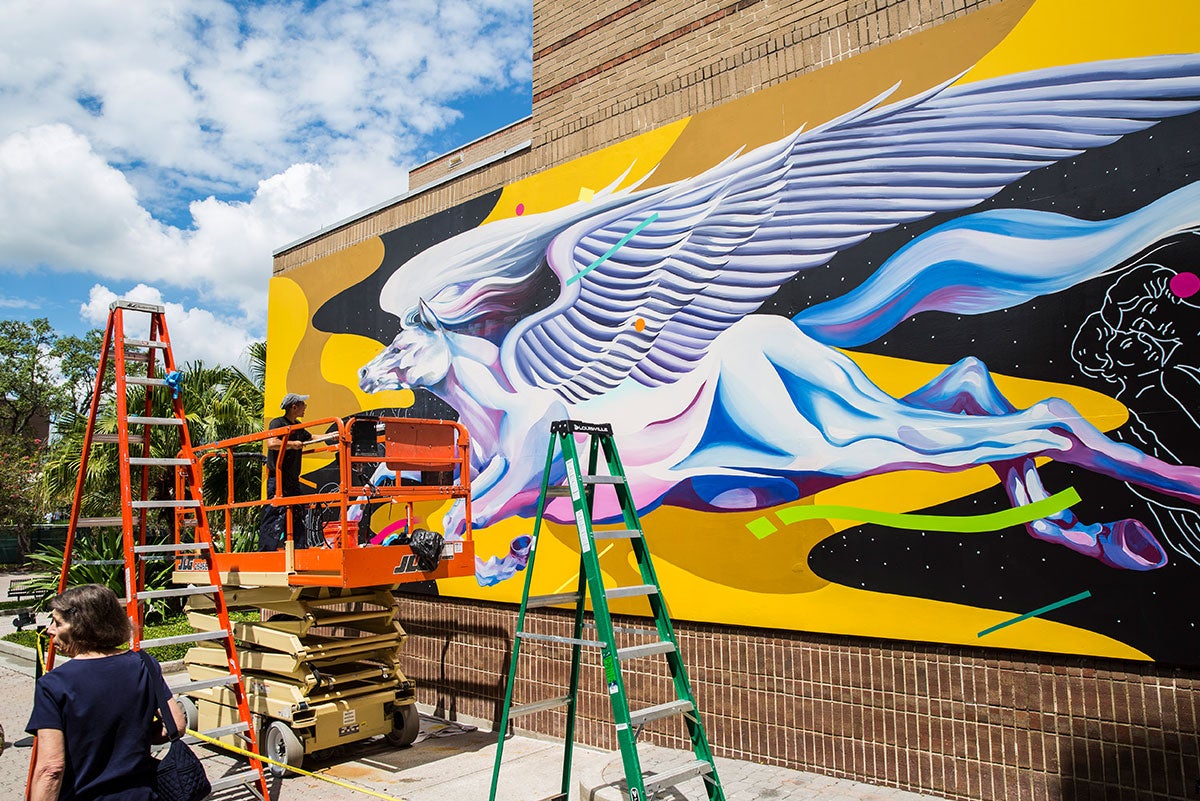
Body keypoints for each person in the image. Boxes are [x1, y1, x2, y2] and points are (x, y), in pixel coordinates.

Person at [25, 584, 186, 801]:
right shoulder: (145, 664)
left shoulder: (53, 685)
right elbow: (176, 725)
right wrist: (131, 737)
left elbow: (51, 769)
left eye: (58, 623)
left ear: (82, 627)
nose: (50, 629)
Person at [258, 392, 314, 550]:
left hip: (292, 480)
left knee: (297, 512)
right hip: (278, 479)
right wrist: (292, 444)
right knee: (275, 513)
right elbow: (272, 443)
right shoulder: (278, 423)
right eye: (303, 404)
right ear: (294, 406)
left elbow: (311, 438)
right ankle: (266, 551)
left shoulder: (297, 425)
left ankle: (299, 548)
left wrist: (333, 435)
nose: (305, 408)